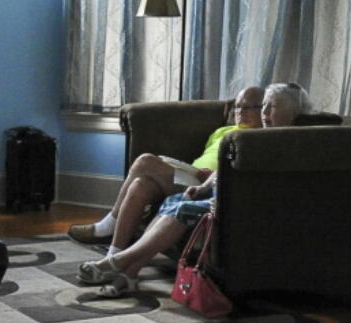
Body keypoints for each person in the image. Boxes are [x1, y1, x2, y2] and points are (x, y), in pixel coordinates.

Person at [77, 82, 311, 297]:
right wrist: (202, 189)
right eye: (265, 107)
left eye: (272, 107)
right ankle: (129, 274)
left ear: (294, 113)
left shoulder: (286, 141)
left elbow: (256, 183)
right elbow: (224, 171)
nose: (265, 114)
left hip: (236, 201)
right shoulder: (252, 136)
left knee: (176, 201)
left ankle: (117, 259)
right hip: (214, 191)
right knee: (167, 197)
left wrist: (206, 188)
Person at [68, 85, 265, 259]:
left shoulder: (256, 137)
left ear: (263, 108)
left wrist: (211, 176)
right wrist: (194, 171)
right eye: (238, 106)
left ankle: (108, 224)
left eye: (248, 107)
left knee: (145, 161)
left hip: (206, 185)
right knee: (141, 185)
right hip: (193, 174)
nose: (241, 111)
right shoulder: (222, 131)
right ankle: (115, 254)